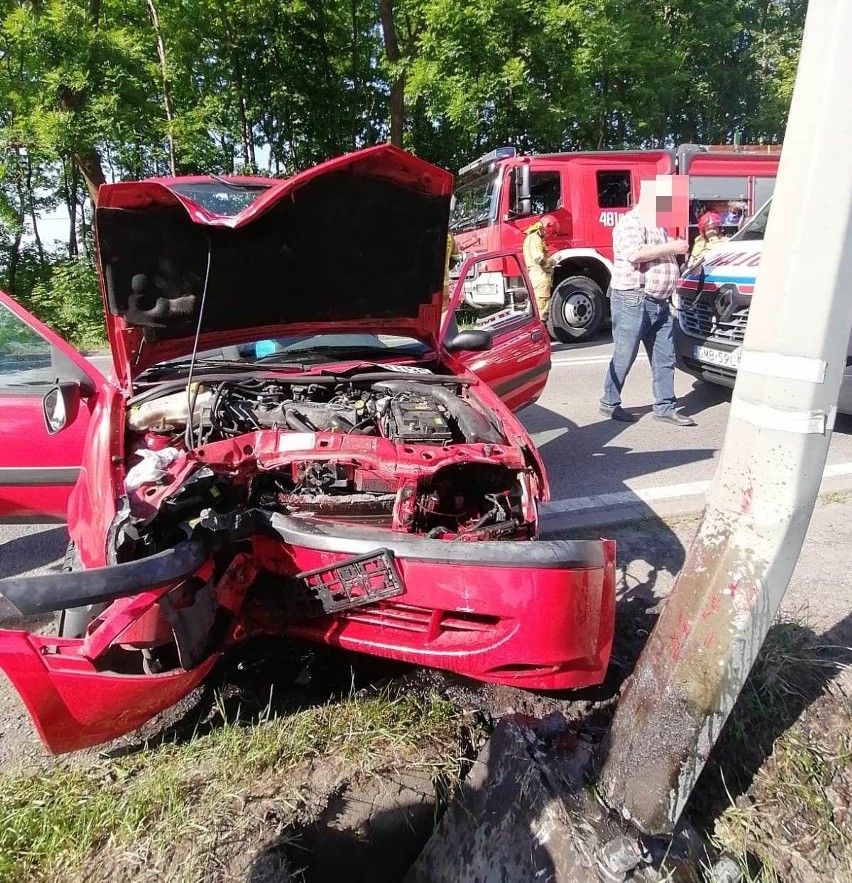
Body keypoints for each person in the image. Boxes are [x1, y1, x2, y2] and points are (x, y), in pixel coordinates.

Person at [599, 180, 695, 426]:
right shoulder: (631, 222)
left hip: (659, 301)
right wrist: (672, 247)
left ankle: (665, 407)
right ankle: (609, 403)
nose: (670, 205)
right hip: (634, 299)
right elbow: (635, 254)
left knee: (664, 356)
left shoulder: (657, 227)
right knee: (624, 355)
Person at [523, 215, 557, 320]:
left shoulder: (530, 237)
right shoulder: (535, 238)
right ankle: (543, 333)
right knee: (542, 311)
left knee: (537, 308)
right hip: (540, 277)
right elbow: (540, 260)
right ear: (546, 226)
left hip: (535, 276)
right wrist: (551, 262)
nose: (547, 235)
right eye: (548, 231)